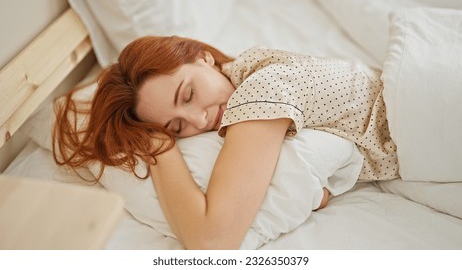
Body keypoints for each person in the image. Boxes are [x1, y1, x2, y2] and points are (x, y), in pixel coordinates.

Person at [53, 35, 398, 249]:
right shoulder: (251, 75)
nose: (199, 120)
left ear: (203, 57)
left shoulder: (260, 90)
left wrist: (161, 148)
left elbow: (211, 241)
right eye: (176, 127)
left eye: (188, 94)